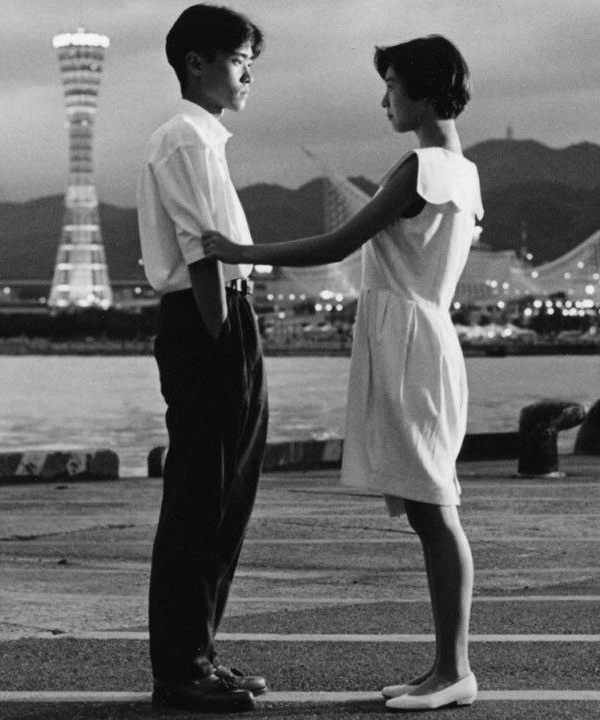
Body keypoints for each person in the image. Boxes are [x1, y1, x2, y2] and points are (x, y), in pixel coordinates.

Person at [203, 34, 482, 712]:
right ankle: (444, 667)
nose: (384, 100)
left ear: (422, 93)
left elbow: (338, 243)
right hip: (427, 337)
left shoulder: (418, 167)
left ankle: (455, 671)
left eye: (391, 86)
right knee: (431, 508)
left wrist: (238, 250)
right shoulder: (464, 170)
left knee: (435, 510)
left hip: (408, 343)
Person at [136, 4, 269, 713]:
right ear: (197, 62)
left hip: (222, 316)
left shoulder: (204, 138)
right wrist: (225, 340)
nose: (248, 74)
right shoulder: (184, 137)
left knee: (226, 498)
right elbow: (203, 250)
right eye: (240, 59)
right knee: (201, 497)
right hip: (207, 320)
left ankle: (201, 654)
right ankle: (182, 668)